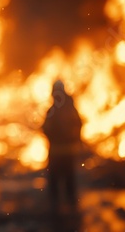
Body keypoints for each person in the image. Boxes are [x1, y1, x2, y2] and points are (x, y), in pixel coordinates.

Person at [41, 79, 82, 213]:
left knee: (55, 182)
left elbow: (45, 128)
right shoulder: (71, 109)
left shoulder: (52, 110)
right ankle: (72, 210)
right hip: (68, 152)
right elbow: (79, 125)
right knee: (69, 180)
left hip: (56, 153)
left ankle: (56, 211)